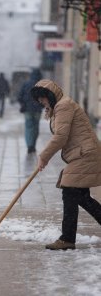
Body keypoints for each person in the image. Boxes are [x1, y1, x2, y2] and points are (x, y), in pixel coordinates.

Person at [30, 79, 101, 250]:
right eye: (39, 100)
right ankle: (67, 238)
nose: (41, 102)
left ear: (49, 95)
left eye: (43, 99)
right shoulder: (58, 107)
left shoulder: (63, 106)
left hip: (85, 155)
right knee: (80, 196)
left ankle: (67, 239)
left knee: (70, 190)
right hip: (82, 154)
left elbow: (61, 137)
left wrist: (44, 156)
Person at [18, 69, 43, 154]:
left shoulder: (26, 84)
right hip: (37, 110)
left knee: (28, 127)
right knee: (35, 127)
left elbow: (19, 96)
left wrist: (23, 104)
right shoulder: (42, 86)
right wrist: (42, 105)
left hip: (28, 110)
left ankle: (29, 145)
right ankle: (33, 145)